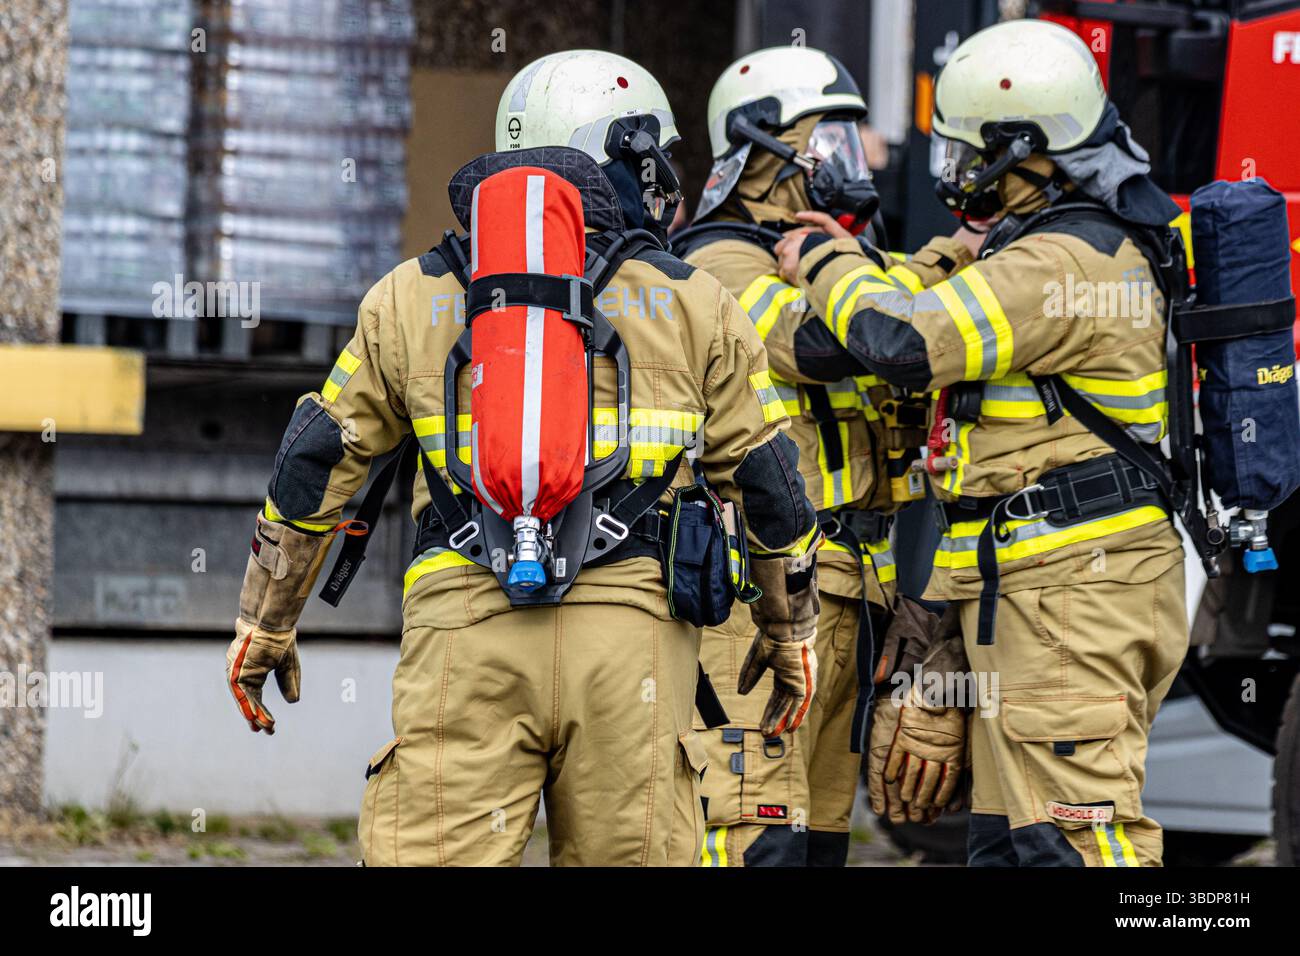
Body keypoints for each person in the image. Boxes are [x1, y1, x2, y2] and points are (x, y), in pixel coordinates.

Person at [224, 49, 822, 867]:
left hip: (464, 634)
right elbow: (770, 484)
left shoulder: (411, 294)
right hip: (634, 650)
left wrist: (267, 618)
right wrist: (790, 633)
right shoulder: (692, 300)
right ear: (624, 152)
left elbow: (315, 465)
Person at [774, 18, 1188, 867]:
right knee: (1009, 848)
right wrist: (936, 622)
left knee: (1077, 845)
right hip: (1045, 594)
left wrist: (822, 260)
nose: (958, 174)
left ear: (1020, 148)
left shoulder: (1061, 263)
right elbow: (1002, 458)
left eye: (967, 152)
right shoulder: (1057, 246)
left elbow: (901, 343)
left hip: (1073, 603)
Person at [672, 45, 973, 867]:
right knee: (755, 835)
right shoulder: (717, 262)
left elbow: (897, 312)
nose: (852, 162)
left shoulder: (825, 257)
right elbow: (835, 342)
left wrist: (960, 249)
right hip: (758, 609)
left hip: (848, 599)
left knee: (819, 846)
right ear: (763, 153)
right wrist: (848, 267)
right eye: (828, 142)